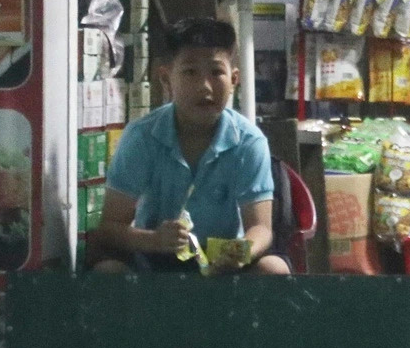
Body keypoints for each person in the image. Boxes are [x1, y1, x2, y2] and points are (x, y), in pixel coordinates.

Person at [91, 18, 290, 275]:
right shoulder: (141, 137)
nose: (205, 87)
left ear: (234, 80)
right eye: (190, 72)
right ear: (166, 79)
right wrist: (154, 240)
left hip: (225, 265)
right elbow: (109, 227)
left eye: (217, 72)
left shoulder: (249, 142)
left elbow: (261, 229)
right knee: (108, 271)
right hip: (155, 259)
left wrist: (242, 251)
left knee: (274, 269)